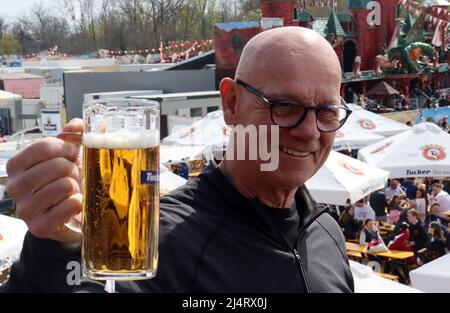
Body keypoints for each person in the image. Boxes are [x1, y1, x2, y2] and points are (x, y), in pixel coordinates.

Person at [1, 27, 354, 293]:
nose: (309, 131)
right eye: (285, 107)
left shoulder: (326, 232)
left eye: (326, 111)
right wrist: (55, 248)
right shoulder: (164, 237)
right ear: (231, 104)